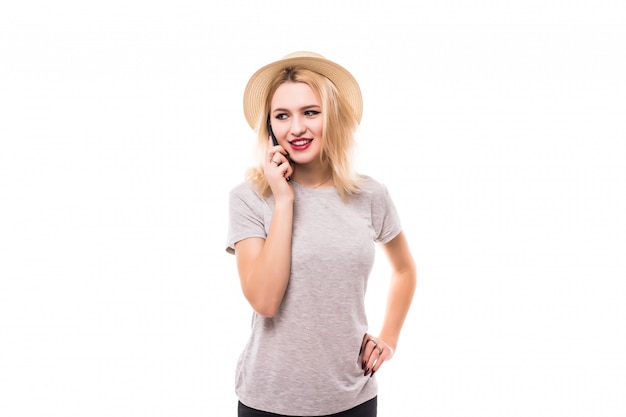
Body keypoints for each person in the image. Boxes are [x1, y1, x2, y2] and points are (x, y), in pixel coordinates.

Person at [226, 51, 417, 417]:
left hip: (352, 398)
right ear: (270, 129)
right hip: (268, 401)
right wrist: (283, 200)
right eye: (282, 116)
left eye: (310, 112)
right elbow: (264, 300)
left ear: (334, 117)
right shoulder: (249, 199)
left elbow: (406, 269)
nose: (296, 128)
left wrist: (388, 340)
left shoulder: (371, 196)